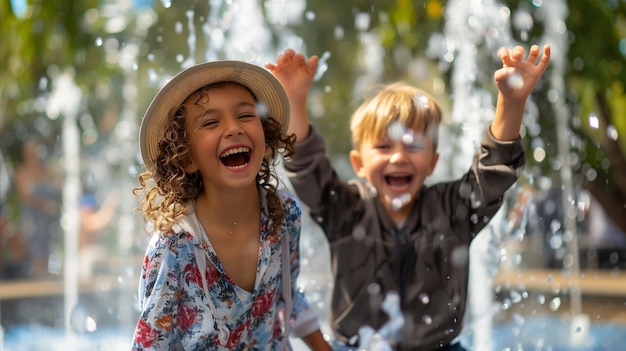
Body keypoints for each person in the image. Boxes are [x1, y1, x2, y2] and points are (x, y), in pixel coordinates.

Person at [267, 44, 551, 351]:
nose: (399, 157)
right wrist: (295, 102)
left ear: (432, 162)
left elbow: (494, 174)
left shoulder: (452, 210)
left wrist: (511, 103)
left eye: (413, 146)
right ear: (358, 164)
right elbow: (308, 169)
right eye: (384, 147)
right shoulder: (347, 210)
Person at [131, 60, 331, 350]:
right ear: (185, 158)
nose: (234, 128)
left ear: (266, 134)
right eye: (211, 122)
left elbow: (289, 297)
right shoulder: (174, 248)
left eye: (246, 115)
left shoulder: (284, 215)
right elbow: (150, 343)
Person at [14, 139, 62, 278]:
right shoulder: (22, 173)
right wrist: (44, 205)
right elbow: (25, 196)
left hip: (50, 220)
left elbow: (59, 188)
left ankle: (51, 280)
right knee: (35, 253)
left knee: (52, 252)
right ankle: (37, 280)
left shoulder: (49, 171)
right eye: (31, 152)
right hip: (33, 220)